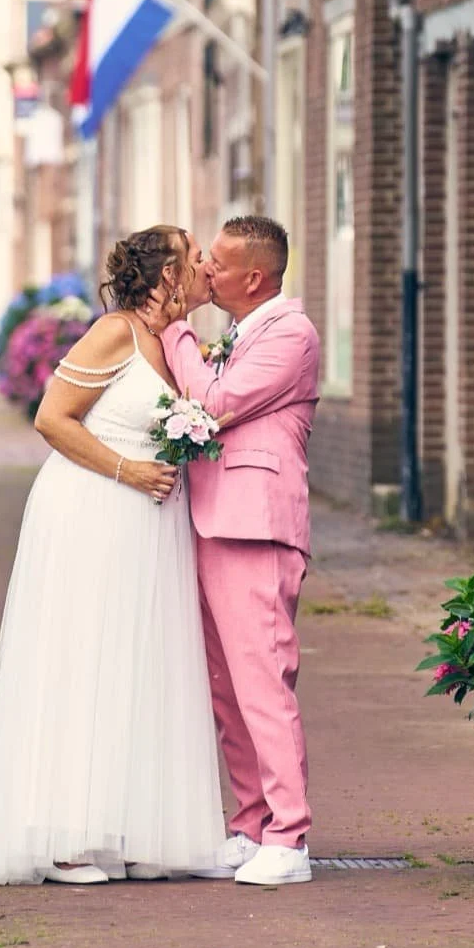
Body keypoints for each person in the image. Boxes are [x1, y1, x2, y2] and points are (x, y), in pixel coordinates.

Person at [0, 226, 225, 885]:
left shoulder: (177, 344)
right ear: (165, 274)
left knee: (138, 662)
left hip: (151, 525)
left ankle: (130, 823)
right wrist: (129, 470)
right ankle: (67, 837)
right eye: (193, 259)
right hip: (92, 510)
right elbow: (52, 418)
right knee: (83, 658)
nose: (204, 268)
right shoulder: (115, 333)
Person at [160, 216, 322, 887]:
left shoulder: (291, 333)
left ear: (254, 277)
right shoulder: (240, 333)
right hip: (211, 519)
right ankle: (250, 824)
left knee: (261, 680)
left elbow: (215, 401)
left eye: (216, 265)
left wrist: (174, 331)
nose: (204, 273)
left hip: (256, 524)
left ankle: (290, 835)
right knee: (226, 688)